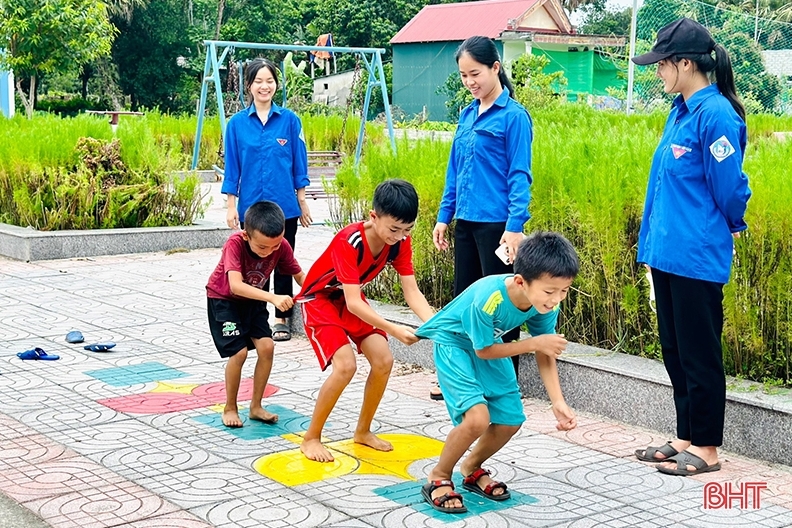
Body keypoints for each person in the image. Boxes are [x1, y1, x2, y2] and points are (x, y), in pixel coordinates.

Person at [630, 18, 751, 477]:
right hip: (665, 252)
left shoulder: (716, 114)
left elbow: (730, 185)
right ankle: (685, 436)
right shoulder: (679, 111)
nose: (657, 72)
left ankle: (707, 448)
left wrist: (735, 222)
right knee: (675, 350)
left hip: (696, 254)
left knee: (699, 353)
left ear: (685, 64)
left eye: (662, 65)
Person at [416, 232, 579, 514]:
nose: (556, 299)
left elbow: (545, 350)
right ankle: (439, 475)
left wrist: (558, 401)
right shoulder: (489, 298)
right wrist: (533, 343)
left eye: (564, 290)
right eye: (550, 291)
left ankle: (471, 467)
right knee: (477, 418)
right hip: (456, 344)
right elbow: (484, 351)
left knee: (510, 419)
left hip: (491, 344)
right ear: (520, 281)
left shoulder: (544, 304)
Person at [296, 179, 435, 462]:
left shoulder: (399, 244)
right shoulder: (350, 240)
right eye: (394, 229)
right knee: (345, 366)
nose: (399, 235)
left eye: (407, 229)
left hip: (349, 299)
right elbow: (354, 302)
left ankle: (363, 431)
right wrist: (395, 329)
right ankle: (311, 437)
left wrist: (436, 325)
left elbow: (412, 292)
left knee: (383, 360)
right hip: (320, 300)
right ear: (374, 216)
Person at [431, 35, 533, 399]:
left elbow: (520, 175)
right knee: (466, 301)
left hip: (498, 228)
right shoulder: (466, 115)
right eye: (463, 76)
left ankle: (504, 384)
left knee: (500, 304)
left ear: (495, 68)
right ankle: (460, 378)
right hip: (466, 223)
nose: (470, 82)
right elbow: (455, 171)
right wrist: (444, 216)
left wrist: (514, 227)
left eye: (475, 73)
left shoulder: (515, 117)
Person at [222, 57, 312, 343]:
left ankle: (282, 318)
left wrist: (302, 200)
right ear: (249, 86)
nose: (265, 86)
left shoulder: (289, 121)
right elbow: (232, 167)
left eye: (270, 81)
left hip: (284, 206)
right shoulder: (236, 124)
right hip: (251, 208)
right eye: (258, 81)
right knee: (253, 264)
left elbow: (299, 163)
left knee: (284, 260)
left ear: (276, 84)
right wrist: (230, 205)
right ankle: (255, 317)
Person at [206, 201, 306, 428]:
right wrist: (273, 297)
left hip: (253, 301)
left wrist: (318, 292)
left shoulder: (281, 246)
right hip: (224, 301)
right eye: (262, 248)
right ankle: (230, 407)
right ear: (246, 235)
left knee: (267, 347)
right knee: (239, 352)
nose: (270, 252)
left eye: (275, 245)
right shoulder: (235, 244)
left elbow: (299, 275)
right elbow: (235, 286)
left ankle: (256, 406)